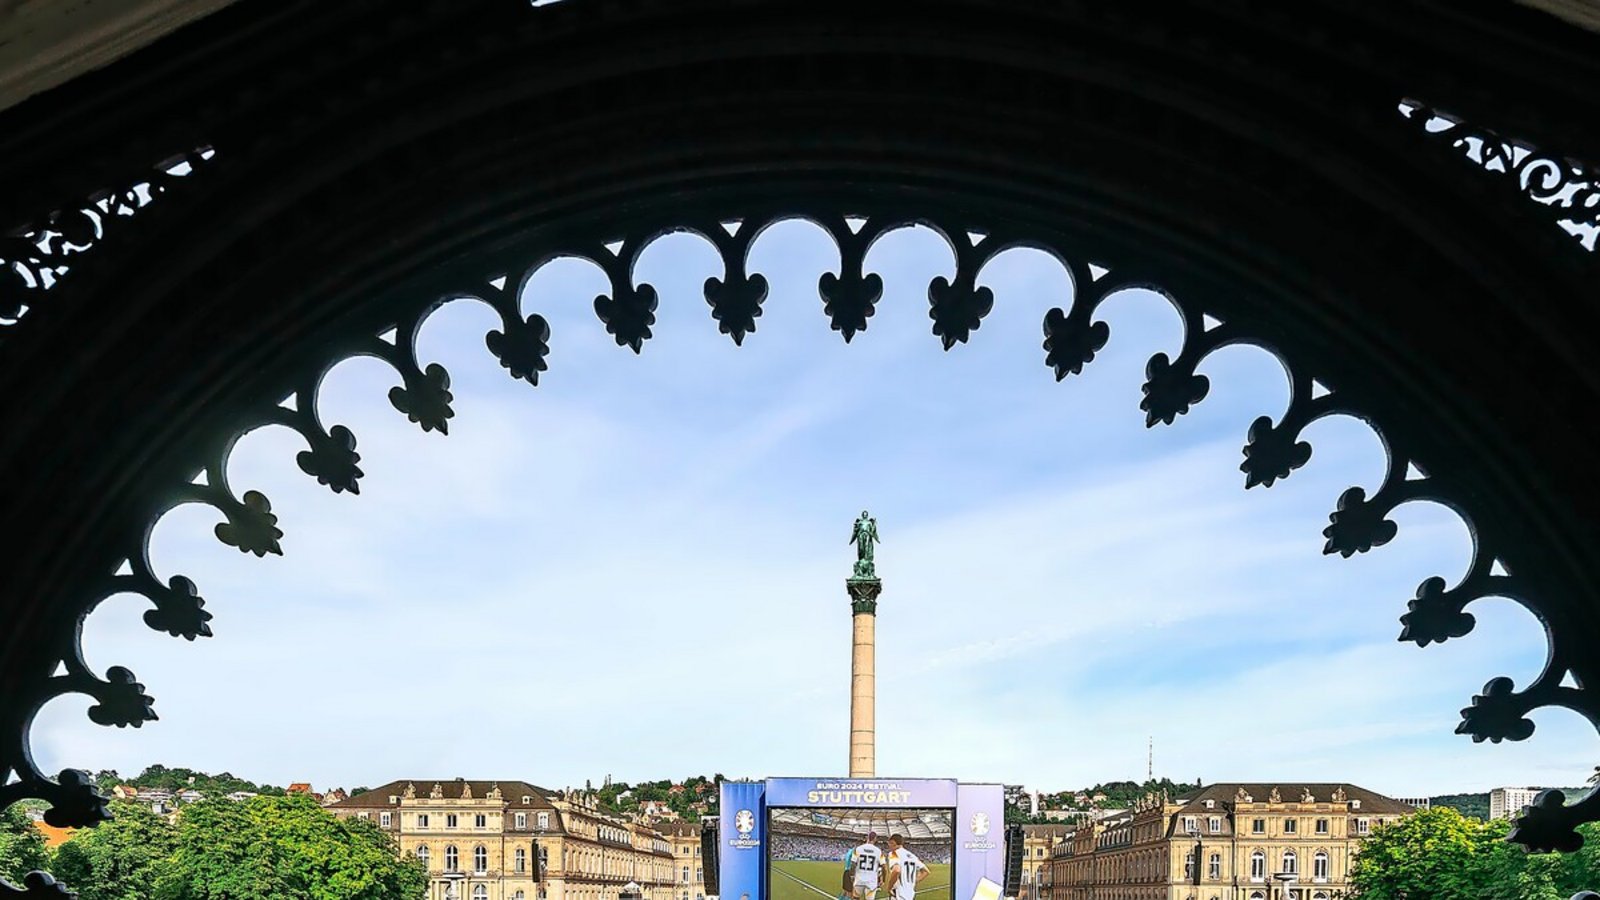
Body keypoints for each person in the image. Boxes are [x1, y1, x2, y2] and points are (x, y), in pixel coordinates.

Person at [883, 834, 928, 900]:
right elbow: (926, 871)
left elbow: (896, 870)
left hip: (898, 894)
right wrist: (913, 881)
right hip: (910, 894)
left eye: (889, 843)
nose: (889, 846)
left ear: (893, 842)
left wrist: (889, 888)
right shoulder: (912, 856)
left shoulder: (893, 853)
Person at [846, 831, 886, 900]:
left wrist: (852, 876)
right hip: (871, 882)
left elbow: (853, 864)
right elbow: (884, 867)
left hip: (859, 880)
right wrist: (883, 880)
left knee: (855, 898)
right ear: (875, 839)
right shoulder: (878, 851)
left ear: (867, 838)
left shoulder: (858, 849)